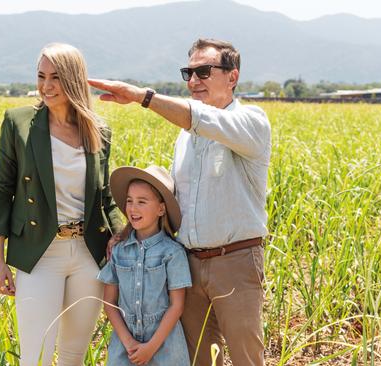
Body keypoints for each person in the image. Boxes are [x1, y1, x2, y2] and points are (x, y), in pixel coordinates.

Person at [89, 38, 271, 365]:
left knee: (247, 357)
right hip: (188, 264)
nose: (192, 81)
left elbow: (200, 118)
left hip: (236, 261)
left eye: (203, 71)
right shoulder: (185, 138)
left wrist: (141, 96)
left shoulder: (250, 122)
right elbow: (170, 202)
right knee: (199, 358)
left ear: (233, 77)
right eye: (188, 72)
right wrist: (127, 232)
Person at [0, 43, 124, 366]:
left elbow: (104, 196)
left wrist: (120, 233)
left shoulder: (97, 129)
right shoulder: (19, 123)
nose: (46, 86)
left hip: (87, 254)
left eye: (56, 77)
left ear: (74, 79)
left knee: (74, 356)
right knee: (35, 355)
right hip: (39, 253)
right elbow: (1, 190)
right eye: (41, 76)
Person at [98, 165, 191, 365]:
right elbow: (109, 302)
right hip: (125, 345)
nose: (133, 208)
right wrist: (128, 342)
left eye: (142, 201)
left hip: (165, 346)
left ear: (161, 208)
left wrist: (150, 348)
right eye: (129, 201)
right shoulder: (119, 251)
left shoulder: (172, 253)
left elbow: (177, 305)